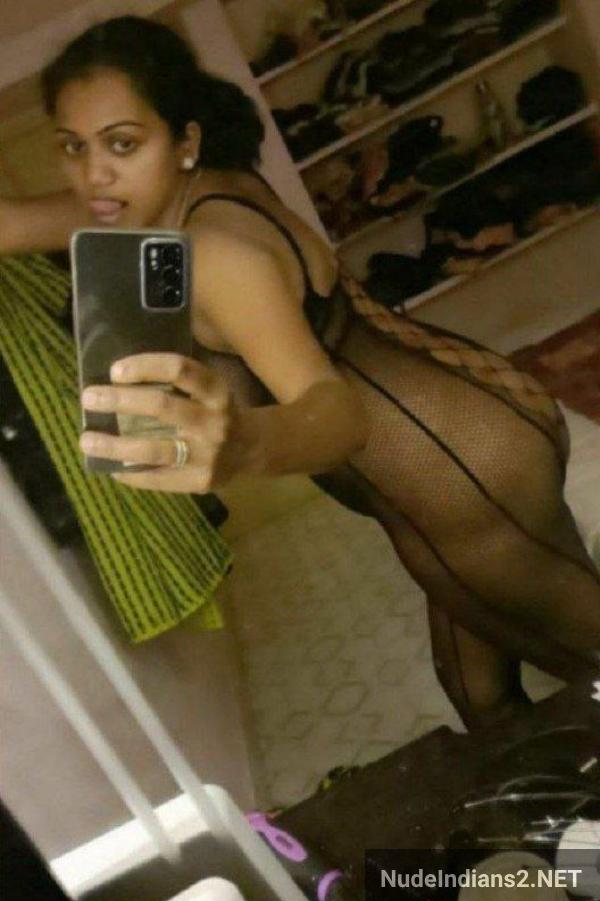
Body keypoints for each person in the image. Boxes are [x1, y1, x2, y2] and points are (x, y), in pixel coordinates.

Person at [1, 15, 599, 730]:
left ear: (184, 140)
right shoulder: (185, 189)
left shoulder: (214, 254)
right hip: (470, 421)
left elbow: (336, 411)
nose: (93, 174)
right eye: (73, 146)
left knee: (571, 677)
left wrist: (245, 443)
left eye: (122, 143)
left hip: (456, 476)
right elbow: (11, 223)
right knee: (479, 693)